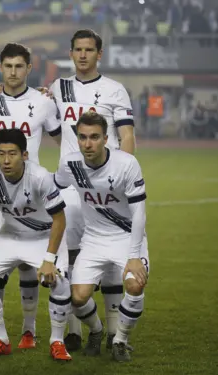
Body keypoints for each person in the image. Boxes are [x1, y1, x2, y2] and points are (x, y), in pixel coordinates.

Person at [0, 43, 63, 349]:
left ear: (29, 68)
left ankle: (28, 329)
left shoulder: (43, 101)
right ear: (0, 67)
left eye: (19, 66)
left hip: (30, 194)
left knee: (27, 266)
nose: (13, 72)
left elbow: (63, 141)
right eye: (7, 66)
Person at [49, 29, 137, 351]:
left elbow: (126, 135)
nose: (83, 55)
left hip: (109, 186)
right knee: (71, 254)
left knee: (112, 256)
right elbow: (53, 126)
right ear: (70, 53)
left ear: (100, 54)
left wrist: (124, 176)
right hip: (74, 186)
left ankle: (113, 331)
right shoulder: (58, 88)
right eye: (78, 49)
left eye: (89, 50)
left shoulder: (115, 90)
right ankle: (74, 329)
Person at [54, 111, 149, 362]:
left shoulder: (126, 164)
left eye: (94, 137)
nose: (88, 143)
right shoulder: (70, 163)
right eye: (83, 137)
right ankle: (96, 331)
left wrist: (134, 255)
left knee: (135, 284)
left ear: (106, 138)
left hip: (126, 237)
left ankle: (120, 340)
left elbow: (139, 213)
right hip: (93, 239)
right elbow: (55, 187)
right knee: (77, 298)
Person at [0, 128, 71, 360]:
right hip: (11, 235)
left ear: (25, 155)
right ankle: (0, 339)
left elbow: (59, 218)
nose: (6, 160)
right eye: (1, 154)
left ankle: (57, 342)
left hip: (44, 236)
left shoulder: (40, 177)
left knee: (60, 280)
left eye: (12, 154)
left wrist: (48, 260)